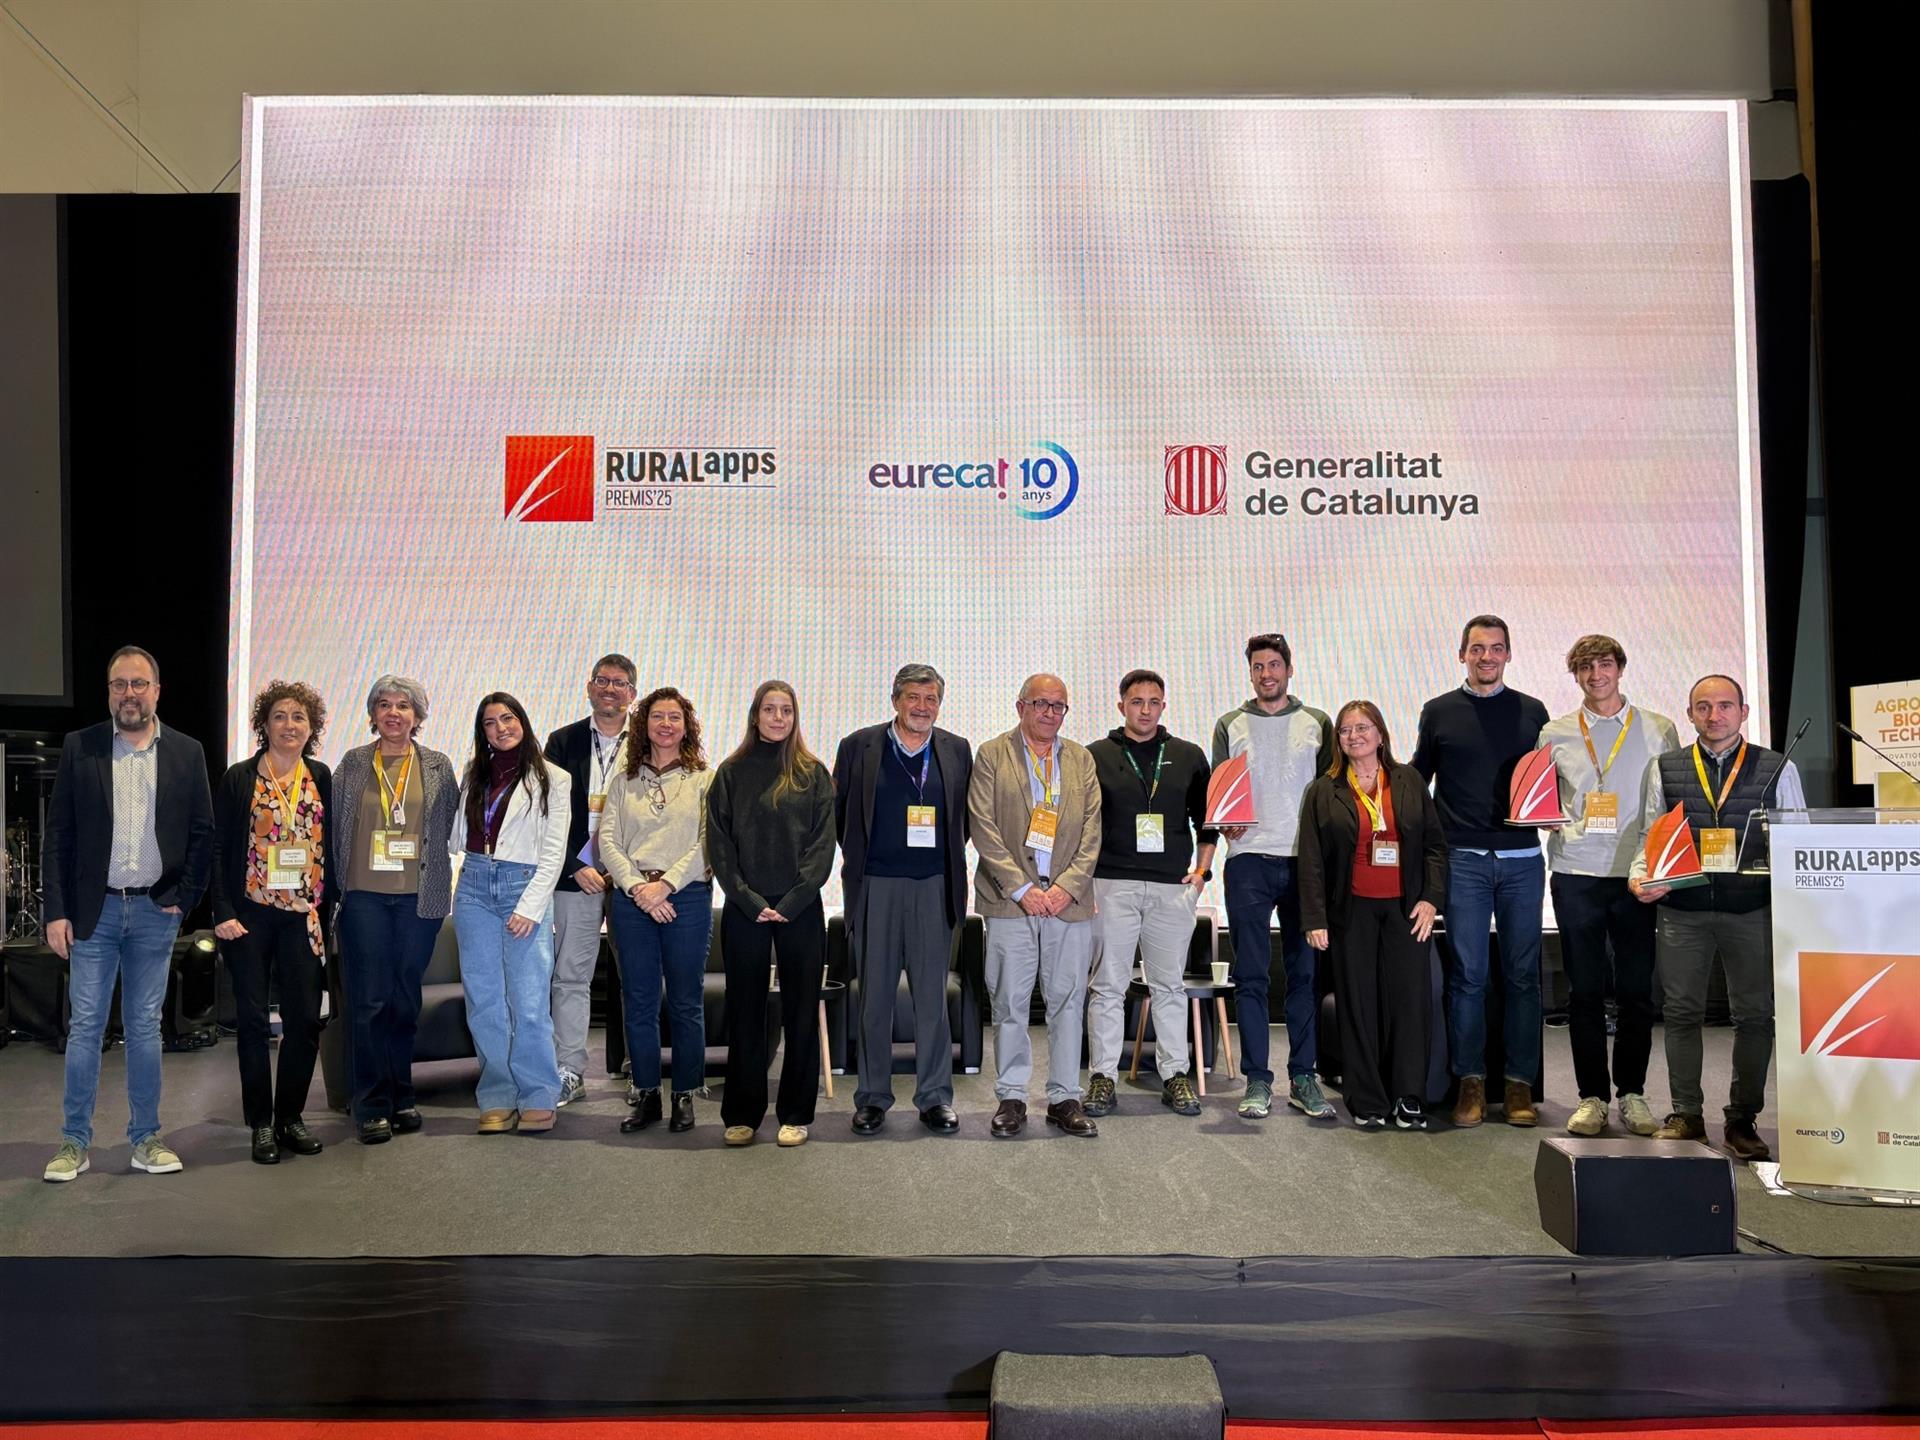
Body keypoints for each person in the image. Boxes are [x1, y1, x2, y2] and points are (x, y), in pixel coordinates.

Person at [41, 645, 214, 1183]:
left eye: (139, 684)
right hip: (93, 913)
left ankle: (145, 1139)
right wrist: (56, 912)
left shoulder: (186, 751)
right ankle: (74, 1142)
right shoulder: (82, 746)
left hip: (154, 913)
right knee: (85, 1027)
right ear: (109, 692)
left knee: (144, 1027)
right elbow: (58, 835)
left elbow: (203, 833)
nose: (129, 694)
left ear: (156, 691)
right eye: (120, 684)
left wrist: (185, 898)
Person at [1629, 674, 1801, 1162]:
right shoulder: (1665, 767)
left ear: (1743, 712)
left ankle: (1742, 1119)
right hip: (1683, 910)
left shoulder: (1778, 766)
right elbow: (1649, 835)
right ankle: (1686, 1114)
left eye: (1725, 706)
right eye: (1703, 707)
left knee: (1754, 1016)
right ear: (1690, 715)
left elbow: (1799, 835)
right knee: (1681, 1013)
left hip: (1752, 910)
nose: (1714, 715)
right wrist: (1640, 876)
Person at [1412, 615, 1550, 1128]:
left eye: (1495, 648)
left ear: (1508, 654)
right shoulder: (1438, 711)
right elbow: (1417, 781)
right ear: (1462, 654)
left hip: (1522, 860)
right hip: (1463, 861)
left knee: (1522, 976)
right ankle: (1469, 1082)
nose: (1486, 657)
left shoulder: (1534, 712)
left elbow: (1548, 781)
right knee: (1468, 976)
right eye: (1476, 648)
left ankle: (1518, 1085)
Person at [1540, 635, 1681, 1137]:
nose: (1595, 675)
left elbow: (1671, 803)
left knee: (1636, 991)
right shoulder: (1555, 732)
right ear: (1575, 675)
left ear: (1620, 669)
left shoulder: (1659, 729)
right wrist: (1545, 818)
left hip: (1636, 875)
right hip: (1576, 872)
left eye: (1603, 665)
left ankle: (1632, 1094)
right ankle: (1592, 1097)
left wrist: (1661, 867)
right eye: (1584, 667)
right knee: (1584, 991)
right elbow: (1539, 800)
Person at [837, 665, 973, 1136]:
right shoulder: (859, 746)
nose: (922, 706)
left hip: (934, 886)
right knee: (874, 998)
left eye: (931, 698)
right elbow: (842, 816)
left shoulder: (956, 749)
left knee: (932, 999)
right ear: (895, 700)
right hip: (876, 886)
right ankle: (872, 1097)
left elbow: (963, 821)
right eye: (913, 697)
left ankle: (935, 1097)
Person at [1299, 701, 1448, 1128]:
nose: (1354, 736)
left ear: (1380, 734)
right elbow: (1311, 860)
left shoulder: (1409, 780)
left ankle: (1409, 1096)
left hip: (1407, 910)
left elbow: (1435, 846)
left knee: (1409, 1003)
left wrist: (1431, 898)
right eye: (1346, 730)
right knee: (1358, 1005)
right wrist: (1315, 918)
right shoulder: (1324, 790)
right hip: (1351, 911)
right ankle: (1366, 1100)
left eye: (1363, 728)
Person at [970, 673, 1103, 1139]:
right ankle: (1012, 1097)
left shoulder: (1081, 759)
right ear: (1020, 706)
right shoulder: (992, 754)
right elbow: (982, 826)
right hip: (1011, 903)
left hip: (1068, 902)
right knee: (1009, 1002)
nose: (1050, 713)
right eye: (1041, 703)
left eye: (1058, 705)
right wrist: (1022, 889)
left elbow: (1092, 831)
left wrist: (1066, 887)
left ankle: (1064, 1098)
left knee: (1068, 1002)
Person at [1211, 633, 1336, 1121]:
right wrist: (1223, 820)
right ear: (1251, 673)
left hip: (1305, 862)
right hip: (1248, 861)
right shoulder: (1230, 724)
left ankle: (1304, 1077)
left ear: (1289, 669)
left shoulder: (1317, 723)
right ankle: (1257, 1081)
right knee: (1251, 976)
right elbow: (1220, 792)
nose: (1267, 674)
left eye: (1274, 665)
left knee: (1304, 975)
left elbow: (1331, 793)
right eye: (1258, 667)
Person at [706, 681, 837, 1148]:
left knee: (801, 1013)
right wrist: (749, 900)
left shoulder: (813, 774)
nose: (778, 718)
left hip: (800, 909)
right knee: (746, 1012)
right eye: (769, 709)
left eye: (786, 710)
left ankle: (796, 1114)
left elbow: (823, 846)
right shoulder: (730, 773)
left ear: (795, 717)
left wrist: (792, 902)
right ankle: (742, 1114)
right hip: (746, 910)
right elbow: (720, 846)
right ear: (755, 715)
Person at [330, 674, 459, 1145]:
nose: (393, 713)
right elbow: (334, 827)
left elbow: (451, 827)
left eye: (404, 706)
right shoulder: (352, 764)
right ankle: (370, 1103)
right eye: (384, 705)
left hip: (418, 901)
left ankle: (402, 1094)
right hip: (363, 896)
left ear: (417, 716)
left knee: (405, 1001)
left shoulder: (439, 766)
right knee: (369, 1001)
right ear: (373, 714)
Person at [210, 680, 335, 1164]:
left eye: (299, 717)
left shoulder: (320, 776)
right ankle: (261, 1123)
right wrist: (223, 911)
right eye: (280, 716)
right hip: (251, 918)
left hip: (303, 919)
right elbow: (220, 848)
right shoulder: (240, 778)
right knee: (253, 1022)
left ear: (311, 727)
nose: (289, 725)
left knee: (304, 1020)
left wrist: (329, 911)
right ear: (264, 724)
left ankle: (290, 1118)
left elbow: (330, 849)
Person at [1085, 669, 1216, 1118]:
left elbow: (1208, 821)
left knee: (1169, 986)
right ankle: (1103, 1076)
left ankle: (1175, 1074)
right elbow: (1083, 824)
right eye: (1137, 701)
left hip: (1171, 888)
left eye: (1154, 701)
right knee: (1108, 986)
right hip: (1112, 884)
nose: (1145, 710)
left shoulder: (1188, 755)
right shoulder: (1095, 756)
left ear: (1164, 706)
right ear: (1121, 705)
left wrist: (1202, 873)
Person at [449, 692, 571, 1134]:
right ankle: (498, 1094)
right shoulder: (473, 774)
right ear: (482, 732)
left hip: (524, 884)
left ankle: (538, 1093)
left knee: (529, 1000)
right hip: (474, 886)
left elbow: (554, 852)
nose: (500, 728)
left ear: (522, 720)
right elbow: (458, 835)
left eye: (507, 718)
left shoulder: (554, 778)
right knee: (484, 1000)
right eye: (490, 722)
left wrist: (531, 906)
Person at [601, 685, 714, 1135]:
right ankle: (646, 1093)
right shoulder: (623, 781)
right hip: (632, 902)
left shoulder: (705, 779)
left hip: (686, 897)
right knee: (639, 1001)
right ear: (643, 725)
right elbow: (608, 842)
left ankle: (684, 1094)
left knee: (686, 1002)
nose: (665, 725)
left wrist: (665, 886)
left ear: (686, 727)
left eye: (674, 718)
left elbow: (709, 843)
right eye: (657, 717)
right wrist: (638, 888)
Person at [542, 653, 637, 1107]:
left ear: (632, 693)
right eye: (602, 680)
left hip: (631, 878)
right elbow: (546, 813)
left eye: (619, 683)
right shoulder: (563, 742)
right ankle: (569, 1070)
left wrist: (625, 870)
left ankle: (640, 1068)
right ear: (589, 687)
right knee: (571, 976)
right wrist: (573, 866)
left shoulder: (648, 740)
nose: (610, 689)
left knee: (637, 975)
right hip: (575, 877)